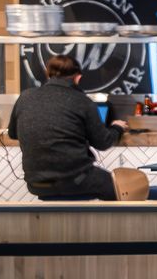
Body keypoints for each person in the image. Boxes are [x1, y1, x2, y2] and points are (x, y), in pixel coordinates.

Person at [7, 53, 126, 201]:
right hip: (75, 180)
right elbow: (103, 142)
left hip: (37, 183)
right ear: (77, 77)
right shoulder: (82, 101)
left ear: (48, 74)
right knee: (121, 189)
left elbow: (12, 133)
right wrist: (117, 128)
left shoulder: (25, 97)